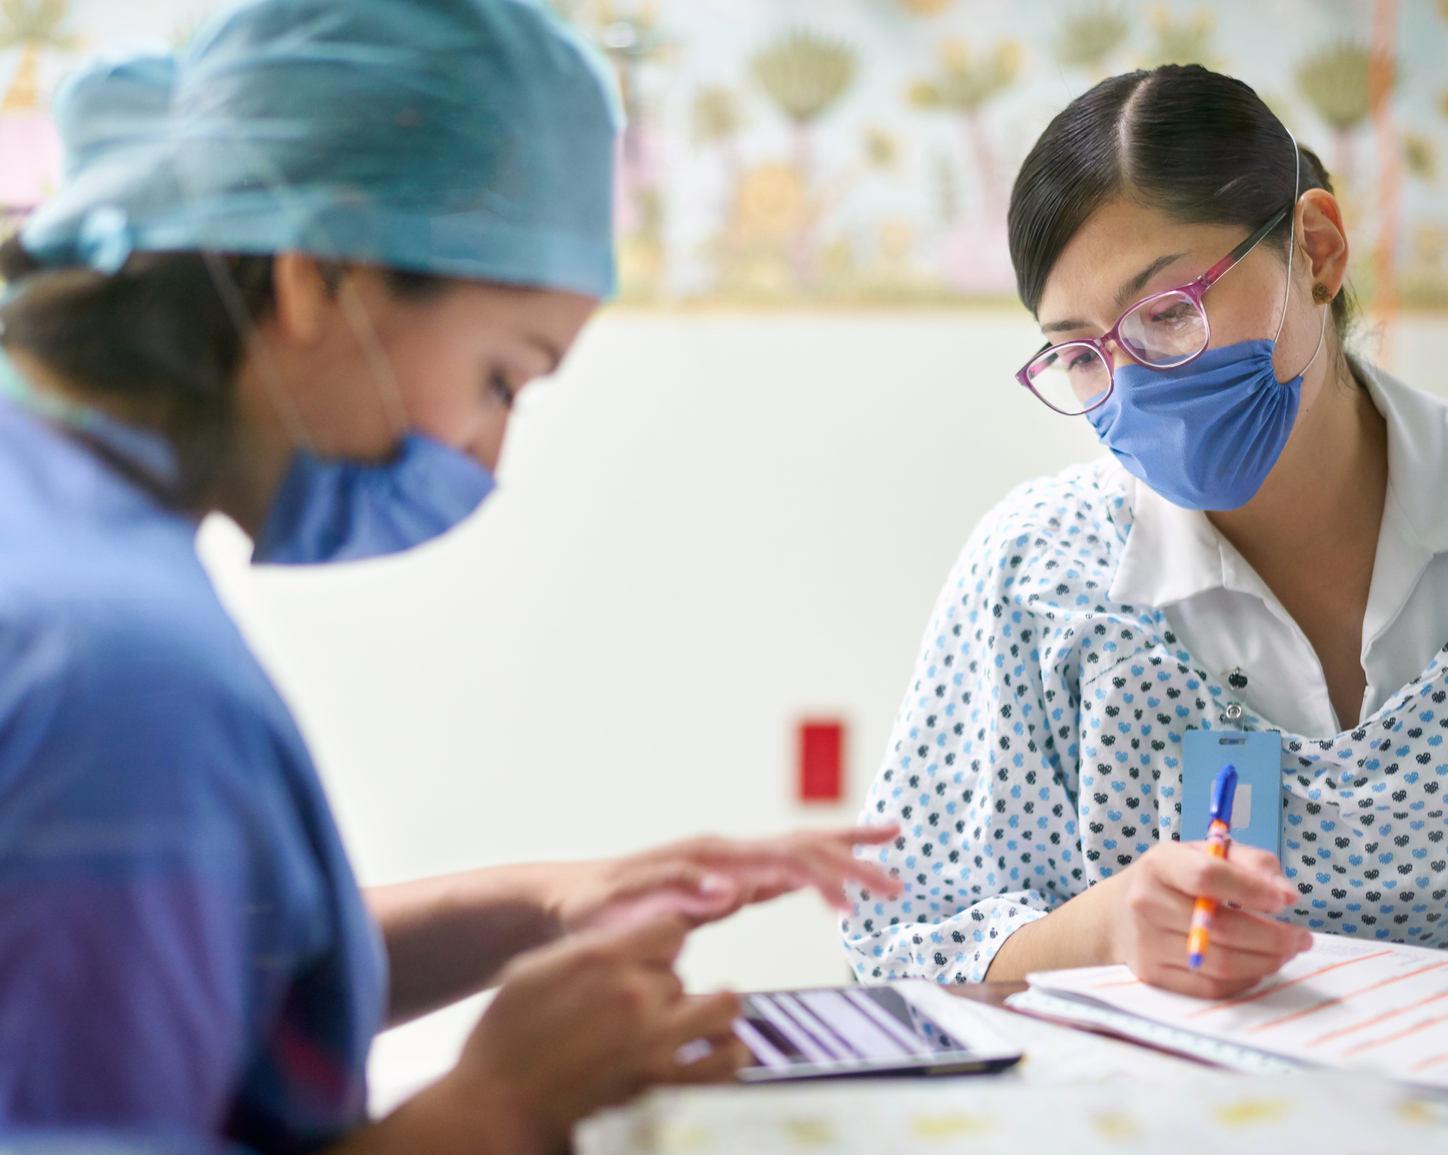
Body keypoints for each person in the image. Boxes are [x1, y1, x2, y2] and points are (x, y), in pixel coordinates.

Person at [0, 1, 899, 1152]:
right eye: (502, 379)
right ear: (319, 277)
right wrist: (492, 1109)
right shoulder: (111, 664)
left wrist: (538, 909)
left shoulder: (60, 525)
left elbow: (182, 970)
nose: (486, 455)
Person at [842, 64, 1448, 999]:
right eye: (1079, 353)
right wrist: (1102, 929)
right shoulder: (1038, 575)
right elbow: (903, 939)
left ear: (1316, 248)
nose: (1134, 384)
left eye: (1168, 313)